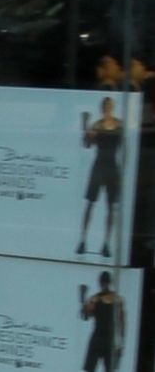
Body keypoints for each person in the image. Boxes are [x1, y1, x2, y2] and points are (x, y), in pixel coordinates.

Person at [76, 271, 124, 372]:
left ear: (104, 282)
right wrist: (83, 301)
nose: (103, 284)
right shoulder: (102, 299)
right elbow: (86, 316)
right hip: (102, 340)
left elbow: (120, 321)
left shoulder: (109, 299)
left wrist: (121, 344)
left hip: (103, 340)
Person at [77, 96, 122, 257]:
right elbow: (87, 144)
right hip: (99, 165)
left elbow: (123, 146)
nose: (107, 108)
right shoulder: (97, 125)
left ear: (112, 107)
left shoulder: (119, 124)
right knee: (90, 203)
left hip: (112, 166)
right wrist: (85, 127)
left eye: (109, 105)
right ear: (102, 108)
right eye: (105, 106)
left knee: (111, 206)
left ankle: (106, 243)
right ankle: (82, 240)